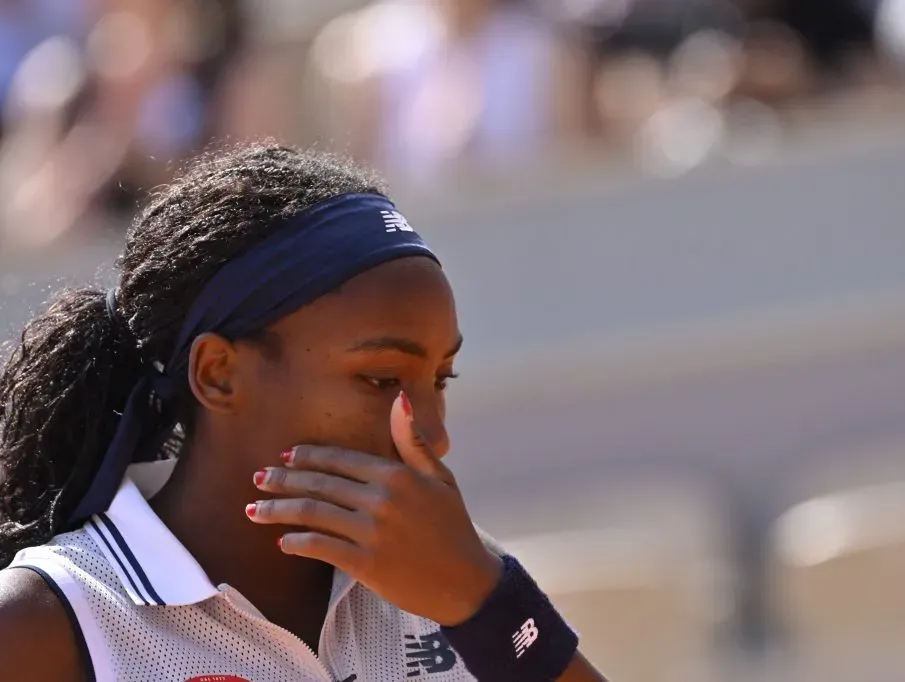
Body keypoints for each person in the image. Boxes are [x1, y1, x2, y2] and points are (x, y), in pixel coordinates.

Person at [0, 144, 608, 681]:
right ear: (219, 374)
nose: (432, 434)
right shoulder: (46, 621)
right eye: (381, 379)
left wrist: (485, 603)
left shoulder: (455, 573)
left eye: (440, 379)